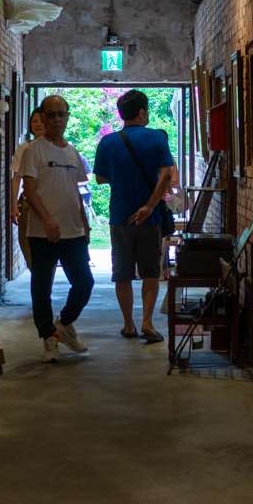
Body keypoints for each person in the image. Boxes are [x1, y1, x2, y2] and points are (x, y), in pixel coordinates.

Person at [93, 89, 175, 344]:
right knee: (150, 271)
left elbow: (100, 178)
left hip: (120, 216)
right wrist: (149, 206)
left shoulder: (107, 142)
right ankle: (147, 323)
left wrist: (122, 178)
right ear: (142, 113)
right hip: (150, 219)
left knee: (123, 273)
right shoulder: (157, 138)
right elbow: (166, 176)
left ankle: (128, 324)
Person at [19, 94, 94, 361]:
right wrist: (48, 218)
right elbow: (29, 190)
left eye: (61, 114)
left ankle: (63, 325)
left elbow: (75, 190)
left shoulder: (72, 152)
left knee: (84, 283)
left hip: (72, 231)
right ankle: (48, 337)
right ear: (42, 117)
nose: (56, 120)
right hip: (42, 232)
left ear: (68, 117)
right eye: (51, 115)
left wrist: (85, 224)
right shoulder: (34, 150)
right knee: (41, 288)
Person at [10, 107, 46, 271]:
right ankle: (39, 282)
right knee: (27, 245)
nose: (37, 124)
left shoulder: (58, 147)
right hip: (28, 204)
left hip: (50, 203)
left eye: (41, 120)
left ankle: (44, 285)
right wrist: (13, 205)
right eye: (34, 121)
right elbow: (17, 178)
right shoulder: (24, 149)